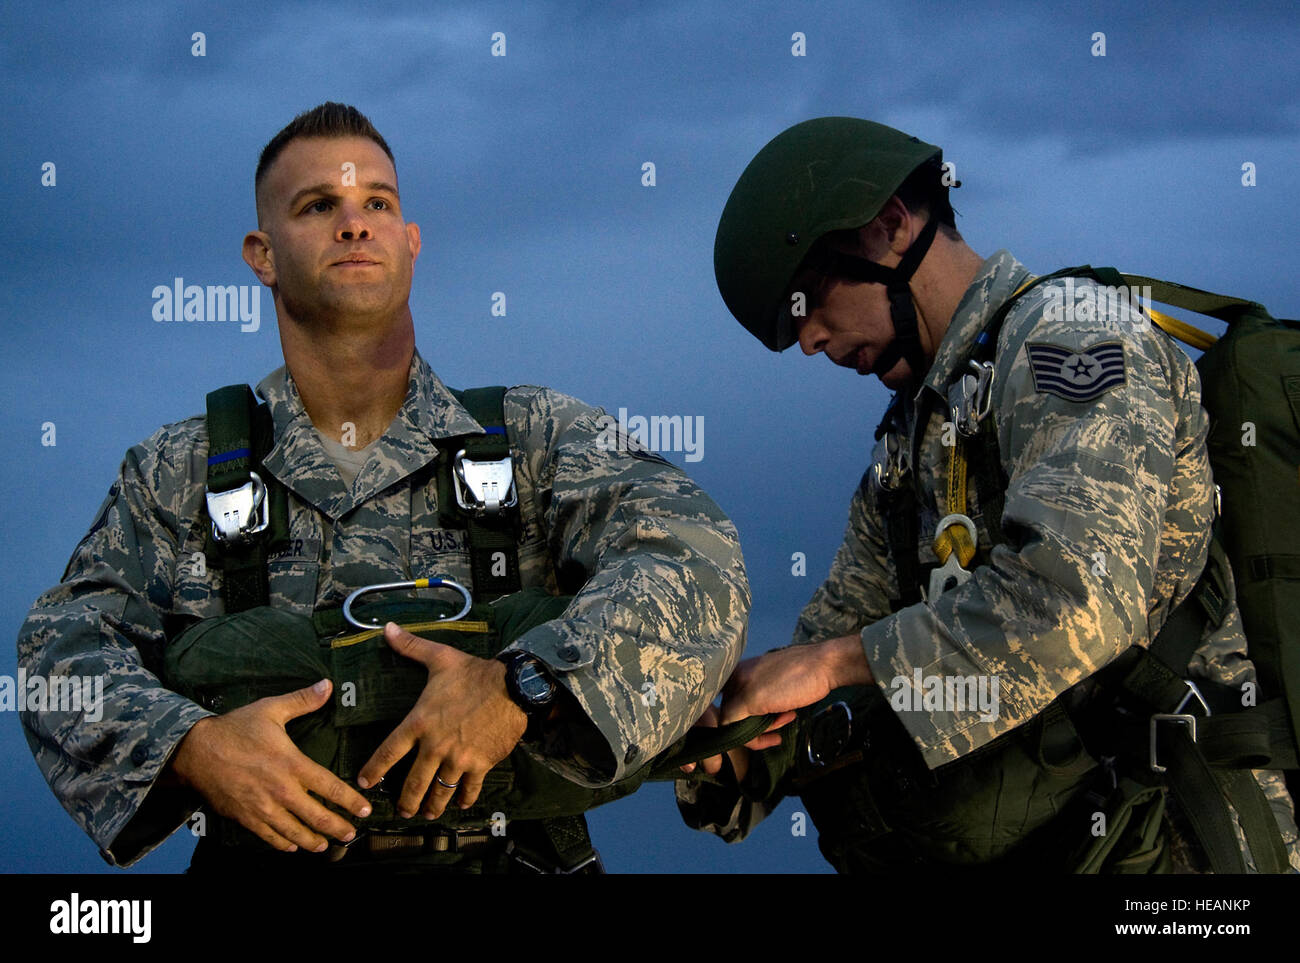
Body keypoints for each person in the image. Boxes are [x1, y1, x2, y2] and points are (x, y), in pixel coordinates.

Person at [17, 102, 750, 873]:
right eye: (318, 206)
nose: (355, 224)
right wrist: (193, 746)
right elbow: (58, 648)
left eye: (378, 202)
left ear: (411, 240)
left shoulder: (535, 437)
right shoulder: (180, 470)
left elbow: (697, 555)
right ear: (261, 255)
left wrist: (524, 684)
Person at [677, 116, 1299, 873]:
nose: (809, 341)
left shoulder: (1074, 339)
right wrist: (739, 751)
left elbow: (1078, 598)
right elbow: (829, 643)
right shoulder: (911, 443)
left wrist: (835, 665)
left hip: (1185, 849)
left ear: (891, 227)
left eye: (808, 298)